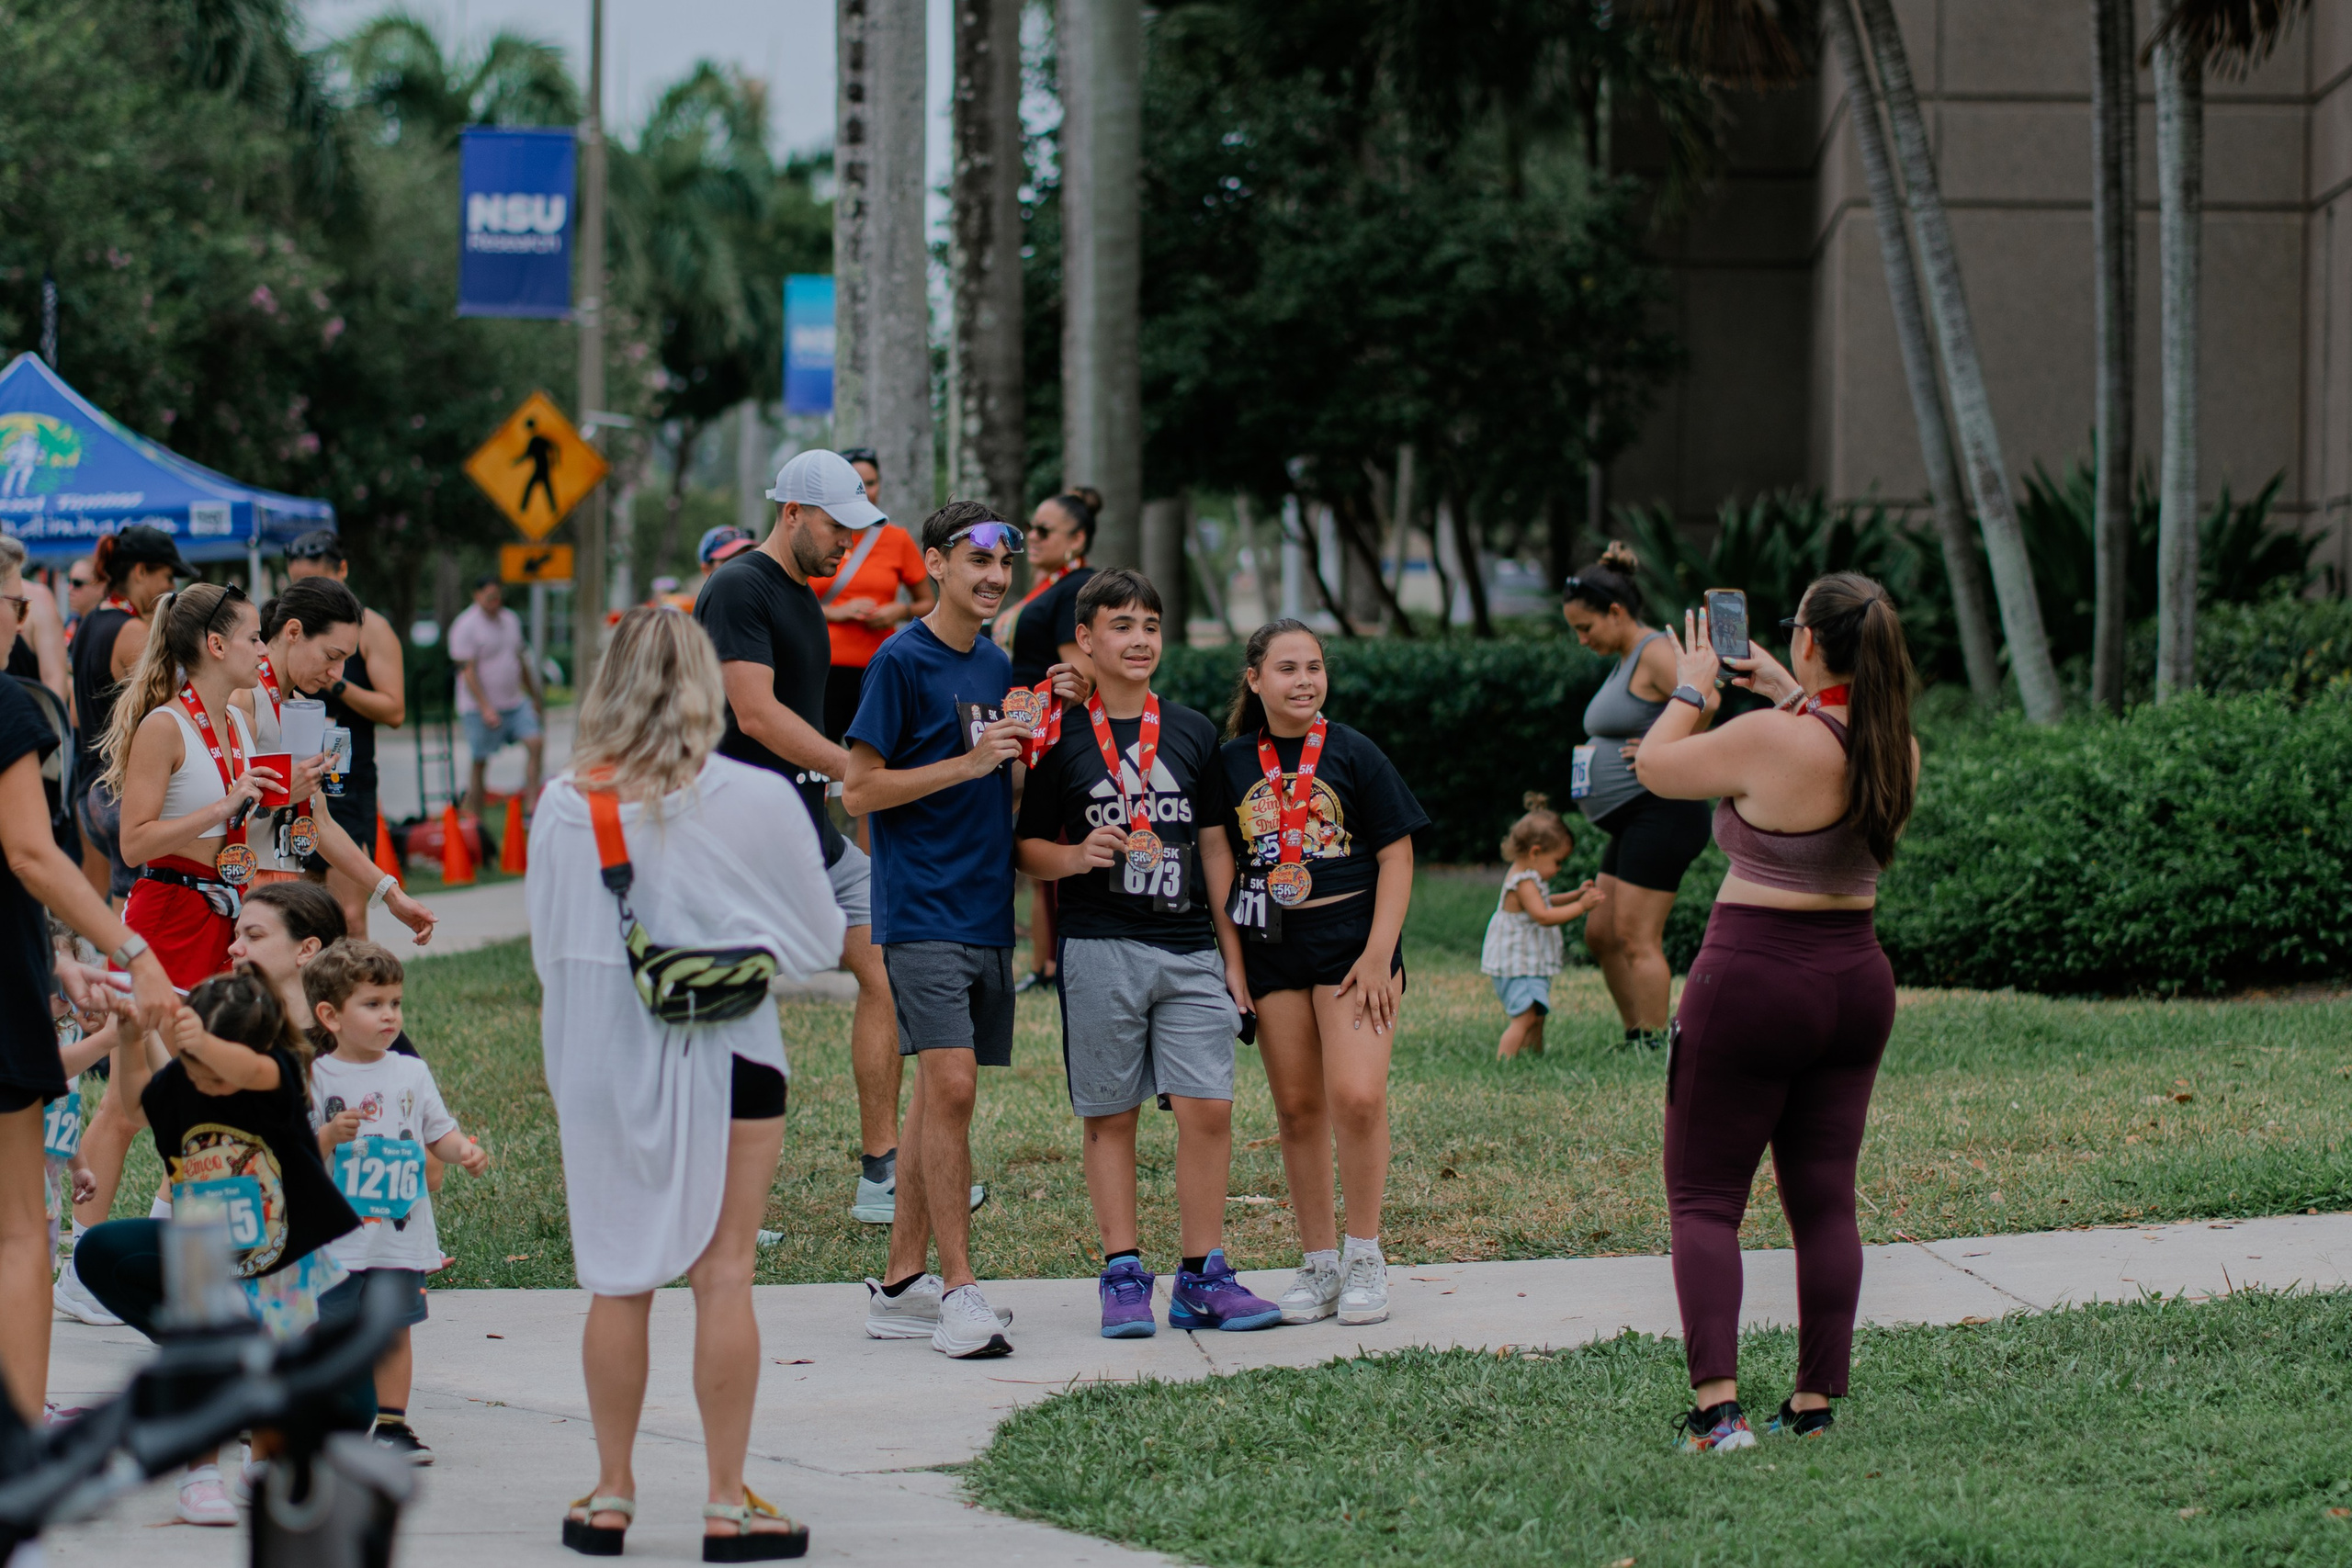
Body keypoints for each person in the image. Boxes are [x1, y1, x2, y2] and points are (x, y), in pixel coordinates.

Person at [526, 605, 843, 1559]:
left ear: (607, 686)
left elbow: (551, 953)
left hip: (597, 1067)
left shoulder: (561, 806)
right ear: (707, 685)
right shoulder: (756, 797)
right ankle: (724, 1503)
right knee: (725, 1273)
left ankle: (610, 1494)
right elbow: (820, 941)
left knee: (617, 1279)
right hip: (732, 1056)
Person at [1630, 573, 1919, 1451]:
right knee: (1826, 1201)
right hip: (1856, 983)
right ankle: (1813, 1403)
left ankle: (1719, 1414)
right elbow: (1829, 739)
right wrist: (1790, 689)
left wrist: (1693, 685)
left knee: (1705, 1198)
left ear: (1808, 638)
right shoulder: (1896, 747)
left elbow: (1654, 765)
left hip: (1754, 978)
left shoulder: (1765, 739)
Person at [697, 449, 974, 1229]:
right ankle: (716, 1201)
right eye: (835, 526)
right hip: (740, 834)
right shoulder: (739, 586)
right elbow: (754, 713)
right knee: (733, 1005)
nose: (848, 542)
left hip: (805, 832)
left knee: (883, 965)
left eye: (856, 527)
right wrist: (852, 768)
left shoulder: (798, 592)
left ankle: (882, 1171)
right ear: (791, 512)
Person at [1015, 569, 1280, 1337]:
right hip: (1099, 945)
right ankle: (1123, 1271)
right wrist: (1074, 857)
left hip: (1189, 945)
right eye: (1121, 625)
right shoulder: (1062, 735)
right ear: (1085, 639)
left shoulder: (1192, 731)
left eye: (1151, 626)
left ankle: (1202, 1274)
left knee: (1209, 1106)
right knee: (1110, 1113)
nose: (1139, 640)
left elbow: (1215, 847)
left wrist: (1233, 958)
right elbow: (1025, 847)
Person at [843, 501, 1043, 1358]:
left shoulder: (995, 663)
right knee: (953, 1086)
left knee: (939, 1094)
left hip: (986, 906)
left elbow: (1001, 774)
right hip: (921, 906)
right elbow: (857, 788)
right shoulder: (899, 660)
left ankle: (900, 1285)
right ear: (935, 564)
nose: (994, 577)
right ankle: (960, 1289)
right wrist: (967, 762)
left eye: (1004, 564)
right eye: (977, 561)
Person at [74, 968, 374, 1523]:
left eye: (215, 1065)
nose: (206, 1079)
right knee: (203, 1359)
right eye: (195, 1065)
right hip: (204, 1247)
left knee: (278, 1360)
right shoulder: (183, 1082)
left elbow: (252, 1068)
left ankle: (262, 1466)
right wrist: (133, 1038)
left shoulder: (277, 1080)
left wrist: (202, 1044)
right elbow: (136, 1104)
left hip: (284, 1253)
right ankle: (200, 1479)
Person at [1213, 619, 1426, 1328]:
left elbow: (1397, 854)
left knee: (1357, 1097)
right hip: (1272, 946)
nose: (1304, 680)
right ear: (1254, 679)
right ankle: (1320, 1262)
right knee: (1299, 1110)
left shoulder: (1354, 750)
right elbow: (1220, 863)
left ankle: (1365, 1255)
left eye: (1314, 666)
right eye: (1287, 668)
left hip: (1351, 947)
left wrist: (1378, 951)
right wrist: (1233, 961)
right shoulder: (1231, 761)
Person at [0, 578, 175, 1426]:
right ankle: (21, 1435)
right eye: (12, 598)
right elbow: (29, 854)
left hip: (22, 968)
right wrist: (128, 948)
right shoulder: (8, 707)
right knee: (17, 1230)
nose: (22, 613)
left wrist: (54, 964)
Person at [100, 583, 435, 995]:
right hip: (192, 904)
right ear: (217, 645)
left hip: (237, 906)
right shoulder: (191, 718)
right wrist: (242, 805)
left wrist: (390, 891)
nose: (337, 674)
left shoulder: (247, 720)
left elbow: (315, 821)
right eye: (254, 639)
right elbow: (140, 841)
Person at [306, 939, 489, 1466]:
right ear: (330, 1016)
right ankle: (319, 1425)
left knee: (393, 1329)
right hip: (335, 1238)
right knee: (325, 1330)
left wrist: (462, 1151)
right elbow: (295, 1155)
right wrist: (328, 1135)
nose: (390, 1015)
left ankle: (392, 1426)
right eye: (373, 1004)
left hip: (398, 1232)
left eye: (395, 1003)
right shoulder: (315, 1076)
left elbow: (438, 1131)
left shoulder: (410, 1072)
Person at [1562, 543, 1713, 1051]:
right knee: (1601, 932)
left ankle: (1655, 1045)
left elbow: (1707, 697)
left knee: (1634, 934)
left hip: (1663, 811)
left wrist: (1667, 744)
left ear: (1616, 611)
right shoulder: (1629, 657)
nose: (1582, 639)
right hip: (1634, 816)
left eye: (1586, 628)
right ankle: (1637, 1036)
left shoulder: (1653, 652)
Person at [995, 489, 1099, 993]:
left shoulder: (1077, 588)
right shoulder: (1049, 585)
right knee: (1037, 856)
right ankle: (1043, 964)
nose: (1031, 537)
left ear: (1077, 539)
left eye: (1043, 530)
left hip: (1046, 737)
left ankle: (1056, 963)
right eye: (1029, 528)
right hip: (1019, 731)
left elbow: (1078, 673)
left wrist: (1044, 726)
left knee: (1047, 847)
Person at [284, 529, 407, 940]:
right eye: (298, 584)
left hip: (346, 781)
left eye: (317, 580)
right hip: (298, 778)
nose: (310, 593)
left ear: (342, 570)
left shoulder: (372, 629)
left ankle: (357, 981)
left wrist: (334, 681)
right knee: (300, 920)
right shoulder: (291, 632)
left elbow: (395, 710)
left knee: (348, 917)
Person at [72, 524, 191, 906]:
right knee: (135, 915)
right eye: (167, 576)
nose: (171, 587)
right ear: (141, 572)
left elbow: (76, 714)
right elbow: (175, 711)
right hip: (120, 794)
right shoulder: (133, 632)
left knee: (120, 906)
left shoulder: (90, 621)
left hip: (90, 791)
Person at [806, 452, 933, 745]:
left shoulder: (897, 539)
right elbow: (789, 603)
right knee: (817, 753)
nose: (865, 491)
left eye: (871, 483)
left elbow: (929, 604)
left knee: (875, 752)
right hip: (821, 668)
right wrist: (837, 612)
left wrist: (899, 611)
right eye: (856, 484)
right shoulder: (816, 534)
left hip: (879, 668)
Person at [1480, 795, 1604, 1060]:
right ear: (1535, 852)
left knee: (1537, 1014)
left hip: (1527, 964)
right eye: (1557, 861)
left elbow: (1546, 901)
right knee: (1524, 1018)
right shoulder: (1523, 882)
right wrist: (1581, 906)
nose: (1558, 869)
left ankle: (1534, 1057)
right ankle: (1504, 1061)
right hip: (1517, 966)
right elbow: (1544, 915)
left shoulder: (1529, 877)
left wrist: (1574, 895)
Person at [447, 575, 543, 819]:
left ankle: (531, 807)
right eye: (490, 598)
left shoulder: (510, 620)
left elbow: (520, 660)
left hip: (514, 702)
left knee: (535, 742)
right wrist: (485, 707)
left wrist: (534, 695)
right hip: (478, 707)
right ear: (477, 595)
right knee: (480, 760)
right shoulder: (466, 625)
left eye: (498, 597)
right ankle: (475, 818)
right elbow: (467, 671)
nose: (495, 602)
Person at [0, 538, 66, 698]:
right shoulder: (37, 597)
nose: (19, 627)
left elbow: (55, 682)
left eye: (20, 607)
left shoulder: (39, 598)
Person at [63, 556, 99, 642]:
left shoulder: (105, 625)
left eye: (77, 583)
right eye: (69, 581)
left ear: (98, 586)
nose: (69, 589)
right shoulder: (72, 621)